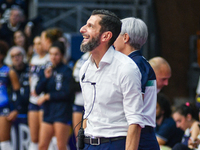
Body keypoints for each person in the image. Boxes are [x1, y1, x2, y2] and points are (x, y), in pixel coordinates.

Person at [79, 10, 144, 150]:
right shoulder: (85, 68)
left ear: (106, 36)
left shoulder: (126, 68)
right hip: (88, 144)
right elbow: (88, 112)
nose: (82, 29)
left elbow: (135, 121)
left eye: (90, 26)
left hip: (115, 144)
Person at [113, 17, 159, 149]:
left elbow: (136, 103)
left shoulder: (136, 64)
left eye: (116, 35)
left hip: (141, 135)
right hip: (138, 132)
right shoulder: (136, 62)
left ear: (125, 38)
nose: (113, 41)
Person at [35, 41, 73, 150]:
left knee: (61, 146)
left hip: (62, 111)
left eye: (56, 54)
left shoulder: (67, 71)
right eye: (51, 54)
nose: (53, 57)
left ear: (61, 55)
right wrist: (45, 78)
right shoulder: (47, 70)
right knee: (42, 146)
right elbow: (37, 91)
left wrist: (48, 96)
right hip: (48, 112)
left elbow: (67, 93)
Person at [28, 36, 49, 150]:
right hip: (33, 99)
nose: (37, 46)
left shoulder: (49, 58)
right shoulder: (33, 59)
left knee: (44, 138)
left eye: (39, 43)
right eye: (35, 44)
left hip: (44, 99)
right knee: (34, 138)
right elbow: (31, 78)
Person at [0, 40, 21, 150]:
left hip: (4, 110)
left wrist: (16, 109)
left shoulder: (9, 71)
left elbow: (17, 92)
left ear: (2, 55)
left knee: (4, 143)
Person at [72, 52, 90, 141]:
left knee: (88, 138)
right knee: (78, 140)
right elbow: (73, 79)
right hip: (78, 101)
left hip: (91, 104)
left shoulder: (100, 56)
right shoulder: (82, 58)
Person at [10, 46, 29, 115]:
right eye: (13, 56)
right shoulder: (8, 72)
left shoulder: (30, 70)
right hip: (12, 109)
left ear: (23, 56)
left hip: (29, 107)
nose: (16, 58)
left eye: (18, 55)